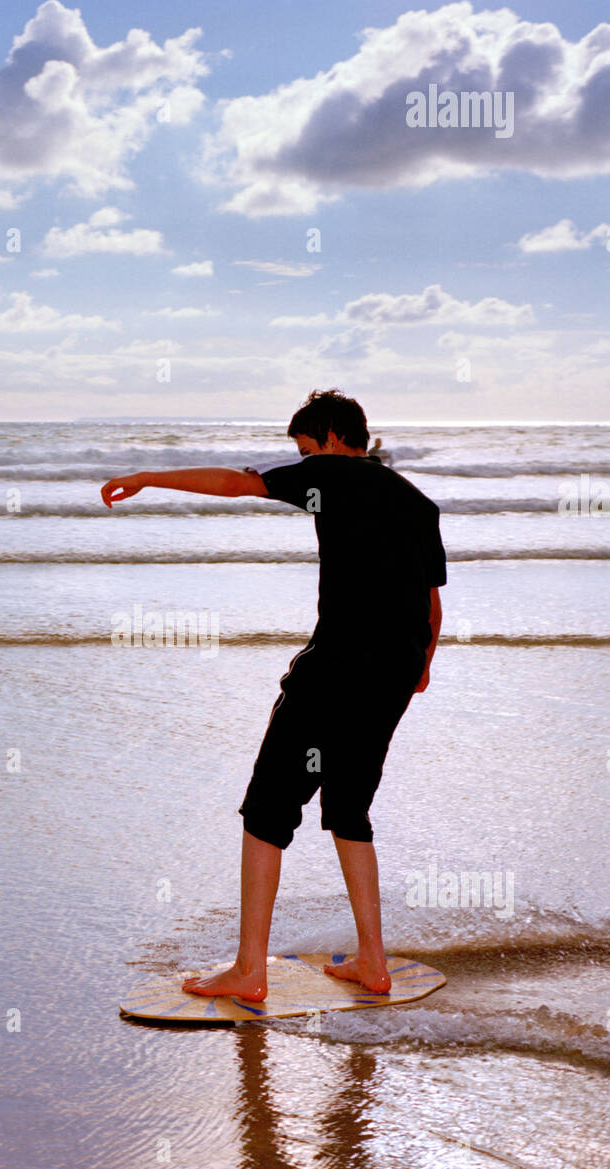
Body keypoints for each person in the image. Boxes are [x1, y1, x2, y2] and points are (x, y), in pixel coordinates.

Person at [99, 389, 445, 1000]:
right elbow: (431, 599)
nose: (304, 460)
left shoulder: (330, 475)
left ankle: (248, 970)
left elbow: (237, 484)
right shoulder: (417, 503)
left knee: (266, 812)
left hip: (334, 671)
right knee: (349, 810)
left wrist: (148, 476)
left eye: (306, 448)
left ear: (334, 438)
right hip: (393, 673)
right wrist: (419, 667)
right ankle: (373, 963)